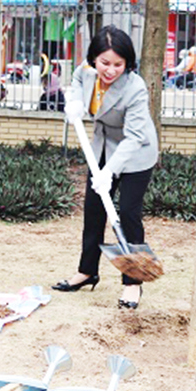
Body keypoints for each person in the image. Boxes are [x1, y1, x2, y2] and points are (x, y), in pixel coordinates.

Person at [52, 25, 159, 309]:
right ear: (94, 59)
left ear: (127, 63)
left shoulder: (135, 88)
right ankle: (87, 271)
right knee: (94, 211)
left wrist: (110, 171)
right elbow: (76, 77)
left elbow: (135, 136)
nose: (110, 70)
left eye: (118, 65)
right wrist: (74, 101)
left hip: (135, 153)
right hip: (100, 147)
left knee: (128, 214)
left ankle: (133, 283)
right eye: (105, 63)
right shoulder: (87, 71)